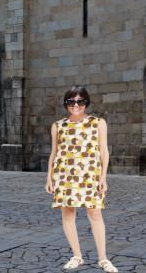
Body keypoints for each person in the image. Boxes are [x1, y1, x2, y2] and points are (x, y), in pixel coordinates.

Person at [46, 86, 118, 272]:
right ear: (66, 103)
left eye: (80, 101)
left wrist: (103, 177)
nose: (76, 105)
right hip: (64, 175)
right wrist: (49, 178)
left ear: (86, 102)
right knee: (68, 214)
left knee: (95, 214)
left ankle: (103, 259)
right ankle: (77, 256)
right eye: (71, 102)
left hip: (90, 175)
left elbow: (104, 151)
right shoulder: (58, 125)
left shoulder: (98, 123)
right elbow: (54, 153)